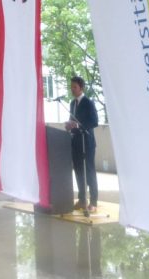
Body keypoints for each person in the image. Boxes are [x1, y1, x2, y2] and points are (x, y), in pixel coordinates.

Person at [64, 76, 99, 214]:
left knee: (89, 171)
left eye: (75, 87)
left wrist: (78, 124)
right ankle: (82, 199)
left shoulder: (88, 103)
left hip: (87, 142)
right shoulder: (72, 103)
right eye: (71, 87)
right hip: (76, 142)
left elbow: (94, 122)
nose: (72, 89)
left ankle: (94, 201)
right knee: (78, 171)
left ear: (81, 88)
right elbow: (72, 121)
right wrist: (69, 125)